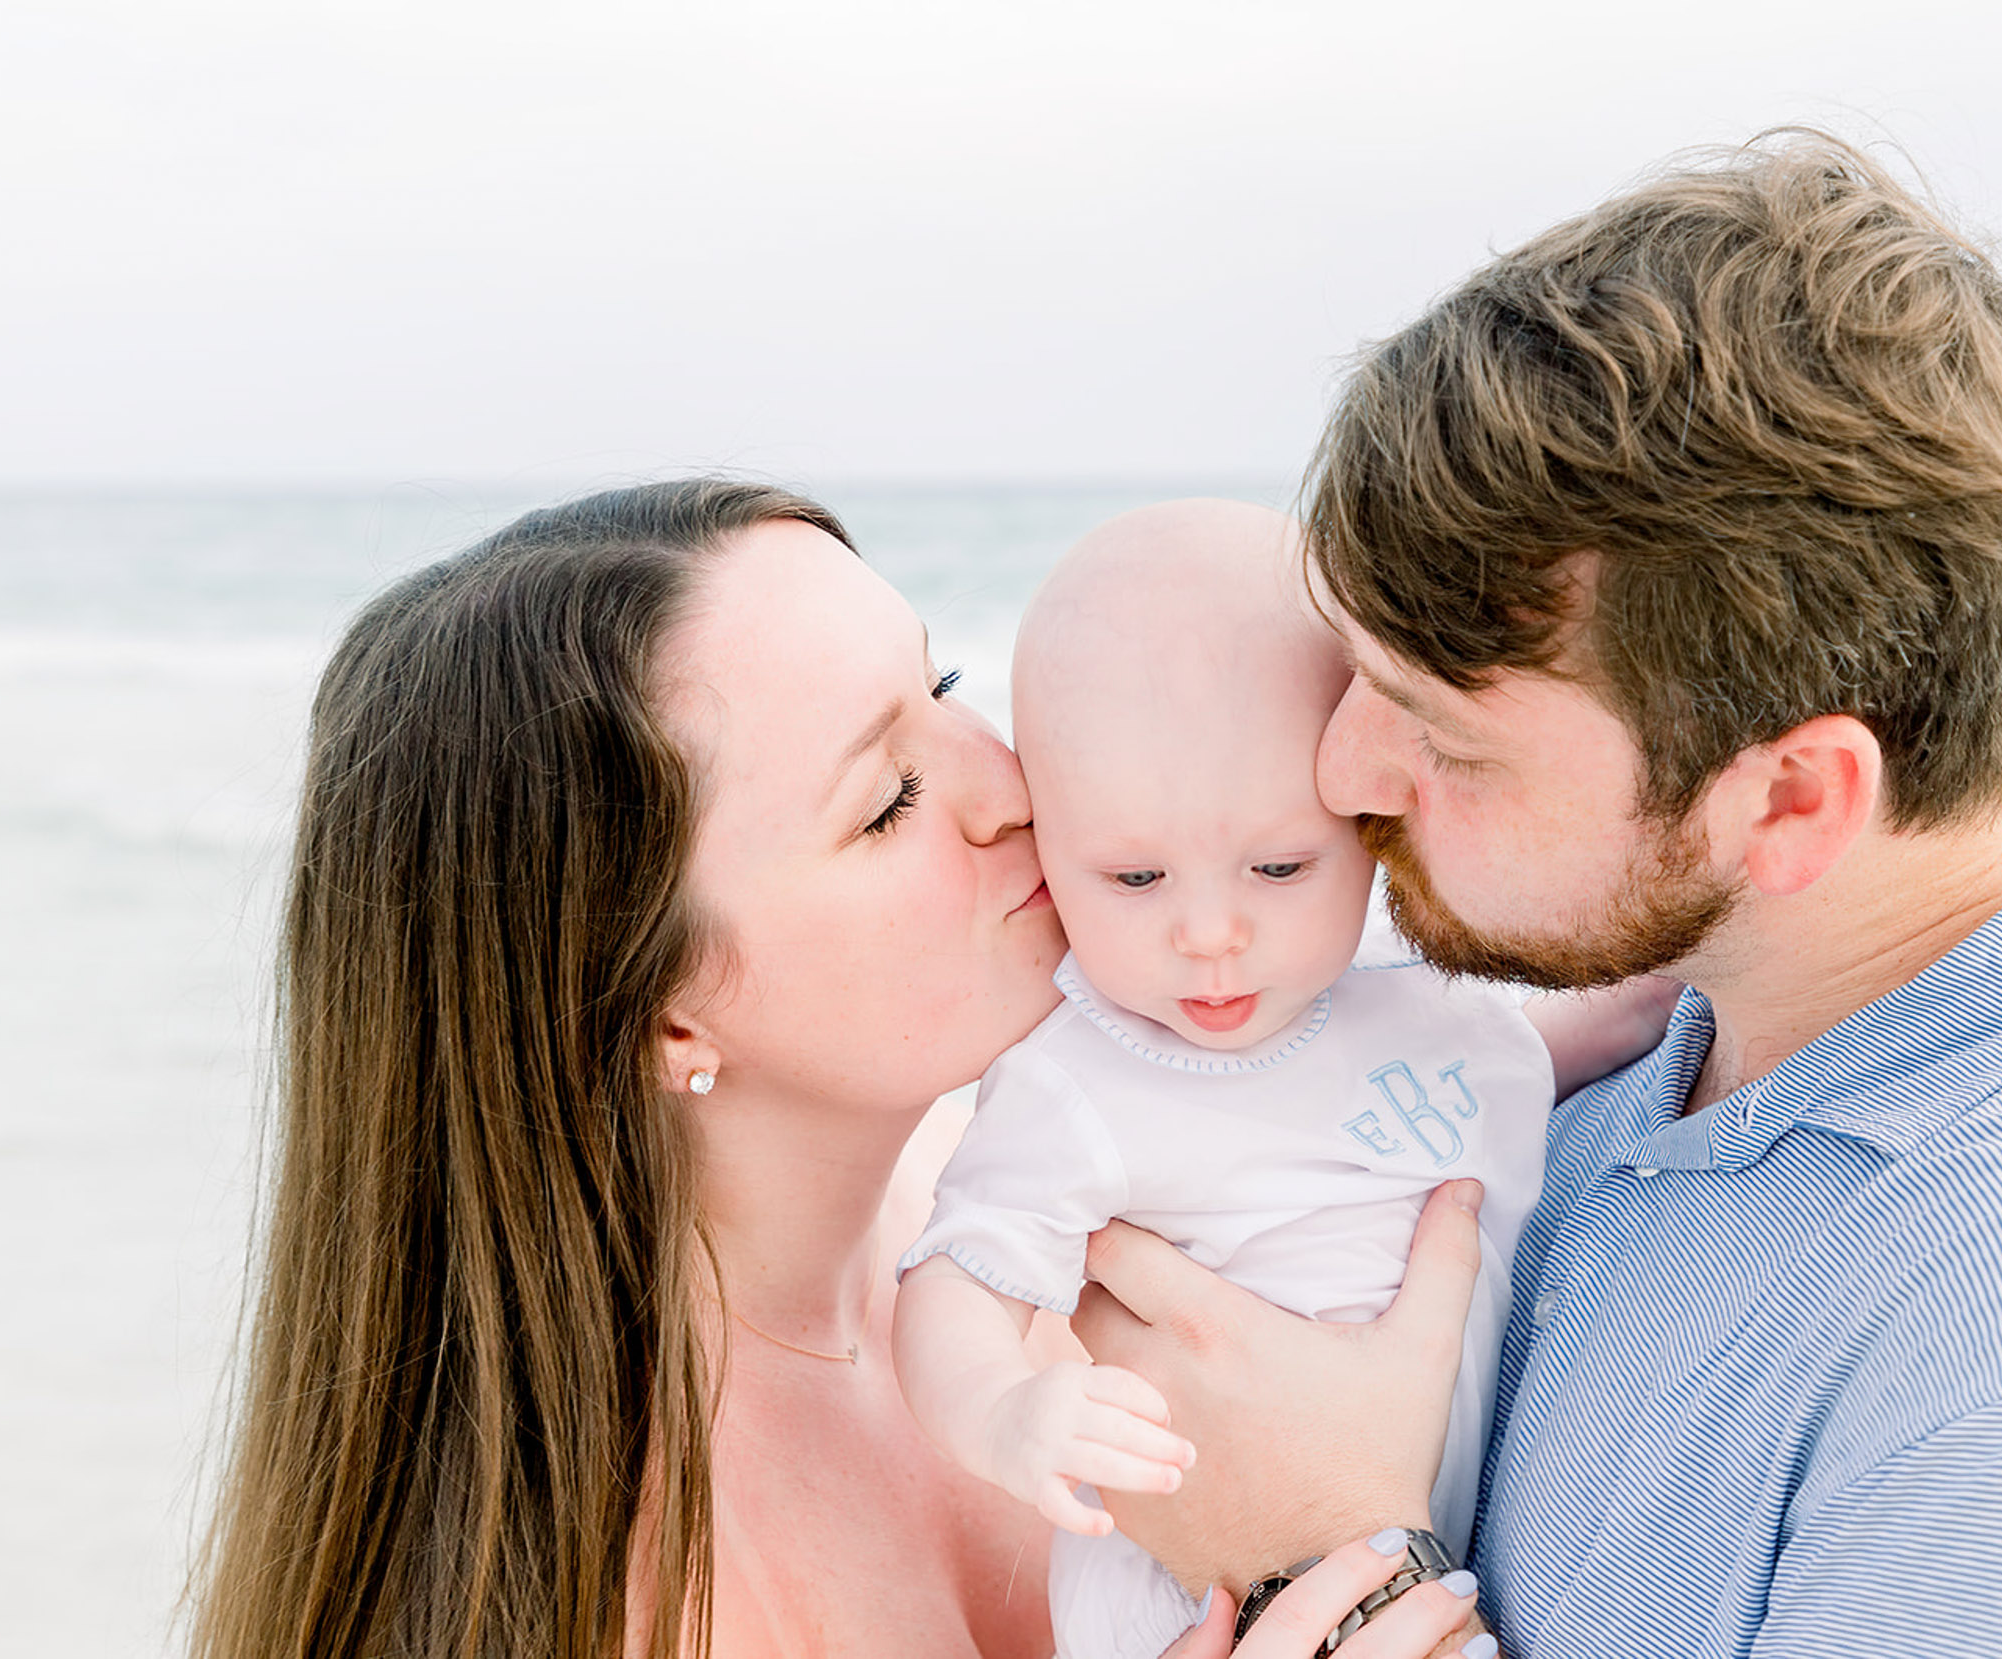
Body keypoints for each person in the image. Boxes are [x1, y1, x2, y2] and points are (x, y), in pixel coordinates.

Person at [1071, 135, 2002, 1656]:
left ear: (1791, 799)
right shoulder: (1682, 998)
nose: (1344, 767)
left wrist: (1340, 1559)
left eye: (1438, 730)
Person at [187, 479, 1485, 1659]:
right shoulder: (638, 1600)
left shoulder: (1041, 1187)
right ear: (657, 1011)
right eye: (885, 801)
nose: (1011, 784)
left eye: (947, 681)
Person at [890, 500, 1671, 1659]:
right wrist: (1006, 1411)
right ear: (1050, 844)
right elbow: (953, 1280)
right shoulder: (1082, 1079)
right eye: (1134, 875)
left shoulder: (1413, 986)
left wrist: (1648, 1006)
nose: (1211, 933)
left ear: (1366, 813)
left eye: (1276, 864)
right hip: (1193, 1593)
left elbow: (1486, 1077)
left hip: (1422, 1542)